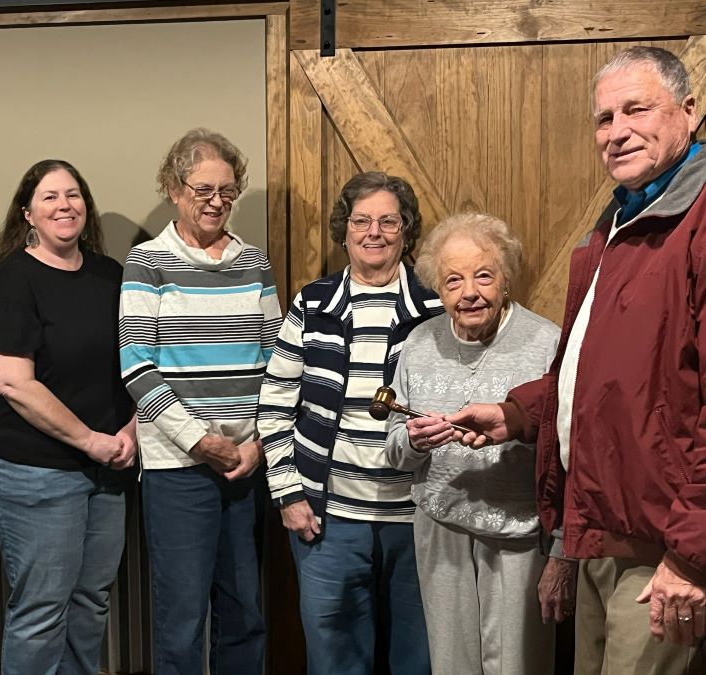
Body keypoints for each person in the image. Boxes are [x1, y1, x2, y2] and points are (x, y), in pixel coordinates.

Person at [448, 46, 706, 674]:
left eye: (636, 110)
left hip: (662, 550)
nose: (616, 132)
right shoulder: (616, 225)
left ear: (689, 113)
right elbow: (603, 377)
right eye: (603, 118)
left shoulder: (694, 225)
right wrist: (517, 414)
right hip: (600, 533)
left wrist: (691, 554)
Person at [257, 171, 439, 675]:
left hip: (417, 521)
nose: (373, 232)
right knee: (335, 660)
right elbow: (273, 405)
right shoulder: (313, 304)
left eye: (388, 221)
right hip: (328, 520)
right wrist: (288, 494)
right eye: (362, 220)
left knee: (418, 659)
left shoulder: (434, 308)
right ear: (345, 229)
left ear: (406, 231)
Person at [0, 159, 136, 675]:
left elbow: (137, 360)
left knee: (91, 602)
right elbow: (11, 381)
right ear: (28, 214)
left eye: (73, 194)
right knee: (41, 609)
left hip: (107, 470)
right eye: (50, 197)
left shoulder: (110, 274)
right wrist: (89, 440)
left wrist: (128, 431)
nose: (65, 205)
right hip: (34, 472)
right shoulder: (12, 278)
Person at [119, 129, 281, 674]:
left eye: (227, 191)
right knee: (182, 617)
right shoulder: (149, 262)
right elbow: (136, 366)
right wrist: (200, 441)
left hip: (243, 466)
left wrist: (256, 443)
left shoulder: (253, 262)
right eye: (203, 190)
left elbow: (275, 360)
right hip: (178, 467)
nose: (216, 202)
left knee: (244, 610)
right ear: (173, 188)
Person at [384, 212, 571, 674]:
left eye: (483, 275)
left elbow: (569, 454)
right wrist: (412, 442)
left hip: (520, 536)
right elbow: (394, 452)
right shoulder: (419, 343)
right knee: (451, 665)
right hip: (440, 530)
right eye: (453, 281)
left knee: (518, 665)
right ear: (438, 289)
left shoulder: (546, 344)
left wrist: (563, 550)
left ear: (505, 278)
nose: (469, 292)